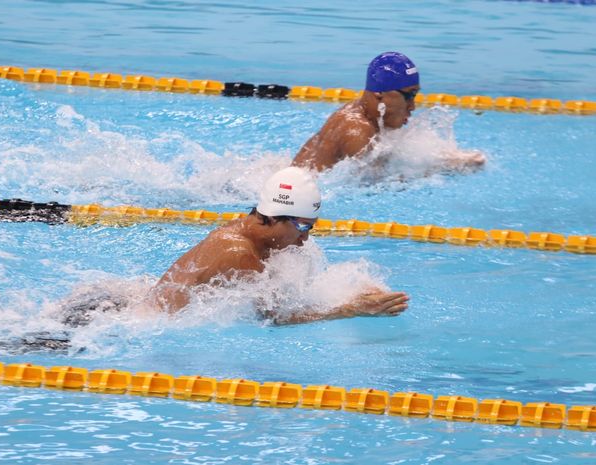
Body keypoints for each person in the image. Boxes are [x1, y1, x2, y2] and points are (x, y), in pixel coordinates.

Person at [150, 166, 409, 324]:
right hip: (153, 323)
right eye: (302, 227)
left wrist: (350, 292)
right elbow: (275, 318)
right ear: (274, 217)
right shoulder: (239, 253)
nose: (305, 239)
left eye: (310, 228)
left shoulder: (257, 236)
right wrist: (351, 309)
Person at [292, 51, 486, 172]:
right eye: (409, 96)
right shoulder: (357, 131)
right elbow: (379, 184)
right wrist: (448, 166)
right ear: (380, 94)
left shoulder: (364, 113)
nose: (413, 106)